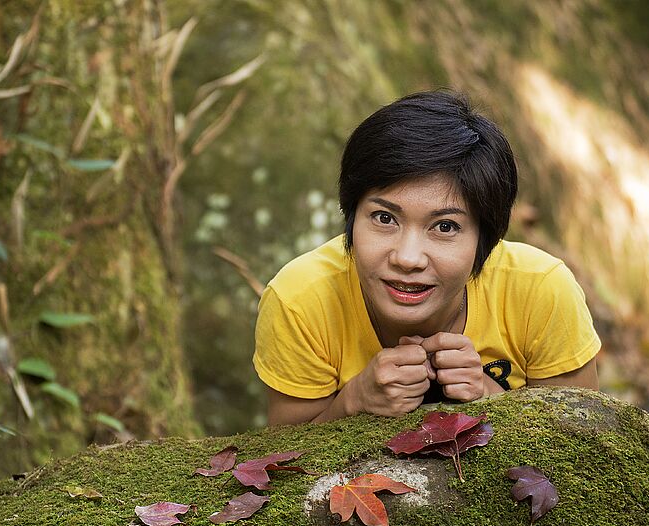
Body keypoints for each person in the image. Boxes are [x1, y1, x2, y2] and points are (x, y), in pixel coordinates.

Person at [253, 90, 600, 426]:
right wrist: (353, 401)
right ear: (351, 215)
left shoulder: (539, 290)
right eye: (384, 218)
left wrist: (492, 398)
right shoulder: (301, 301)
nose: (407, 258)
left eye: (445, 226)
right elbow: (285, 457)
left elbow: (584, 445)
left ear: (487, 237)